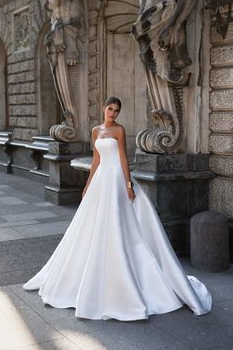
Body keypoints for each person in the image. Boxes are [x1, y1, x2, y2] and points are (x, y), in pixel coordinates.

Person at [23, 96, 212, 321]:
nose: (113, 113)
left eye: (116, 110)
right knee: (91, 226)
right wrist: (87, 184)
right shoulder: (96, 131)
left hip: (116, 180)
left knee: (119, 224)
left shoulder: (119, 130)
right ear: (104, 109)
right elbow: (96, 160)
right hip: (101, 179)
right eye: (110, 109)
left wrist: (128, 184)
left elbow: (122, 158)